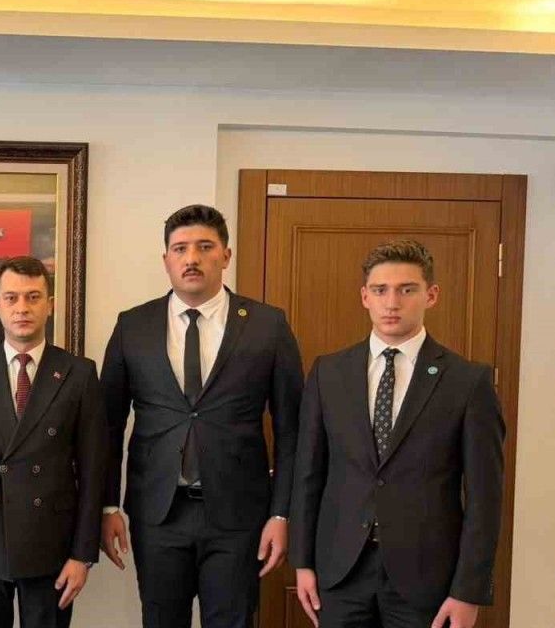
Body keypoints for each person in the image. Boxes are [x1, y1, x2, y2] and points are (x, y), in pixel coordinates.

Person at [99, 204, 303, 628]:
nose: (191, 258)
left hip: (239, 515)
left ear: (226, 255)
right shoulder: (133, 326)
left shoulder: (267, 325)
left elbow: (291, 431)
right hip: (159, 513)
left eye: (204, 247)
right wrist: (107, 505)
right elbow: (107, 426)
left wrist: (281, 514)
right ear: (166, 260)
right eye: (180, 248)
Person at [289, 240, 504, 628]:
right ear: (364, 297)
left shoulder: (467, 382)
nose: (392, 303)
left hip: (427, 579)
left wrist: (468, 591)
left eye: (407, 290)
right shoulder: (328, 373)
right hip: (340, 573)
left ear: (431, 295)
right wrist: (302, 562)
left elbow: (485, 499)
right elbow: (308, 474)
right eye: (380, 290)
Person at [0, 256, 106, 628]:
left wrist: (82, 555)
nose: (22, 308)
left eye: (33, 297)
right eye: (11, 298)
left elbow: (94, 472)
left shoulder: (79, 373)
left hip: (51, 546)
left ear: (50, 304)